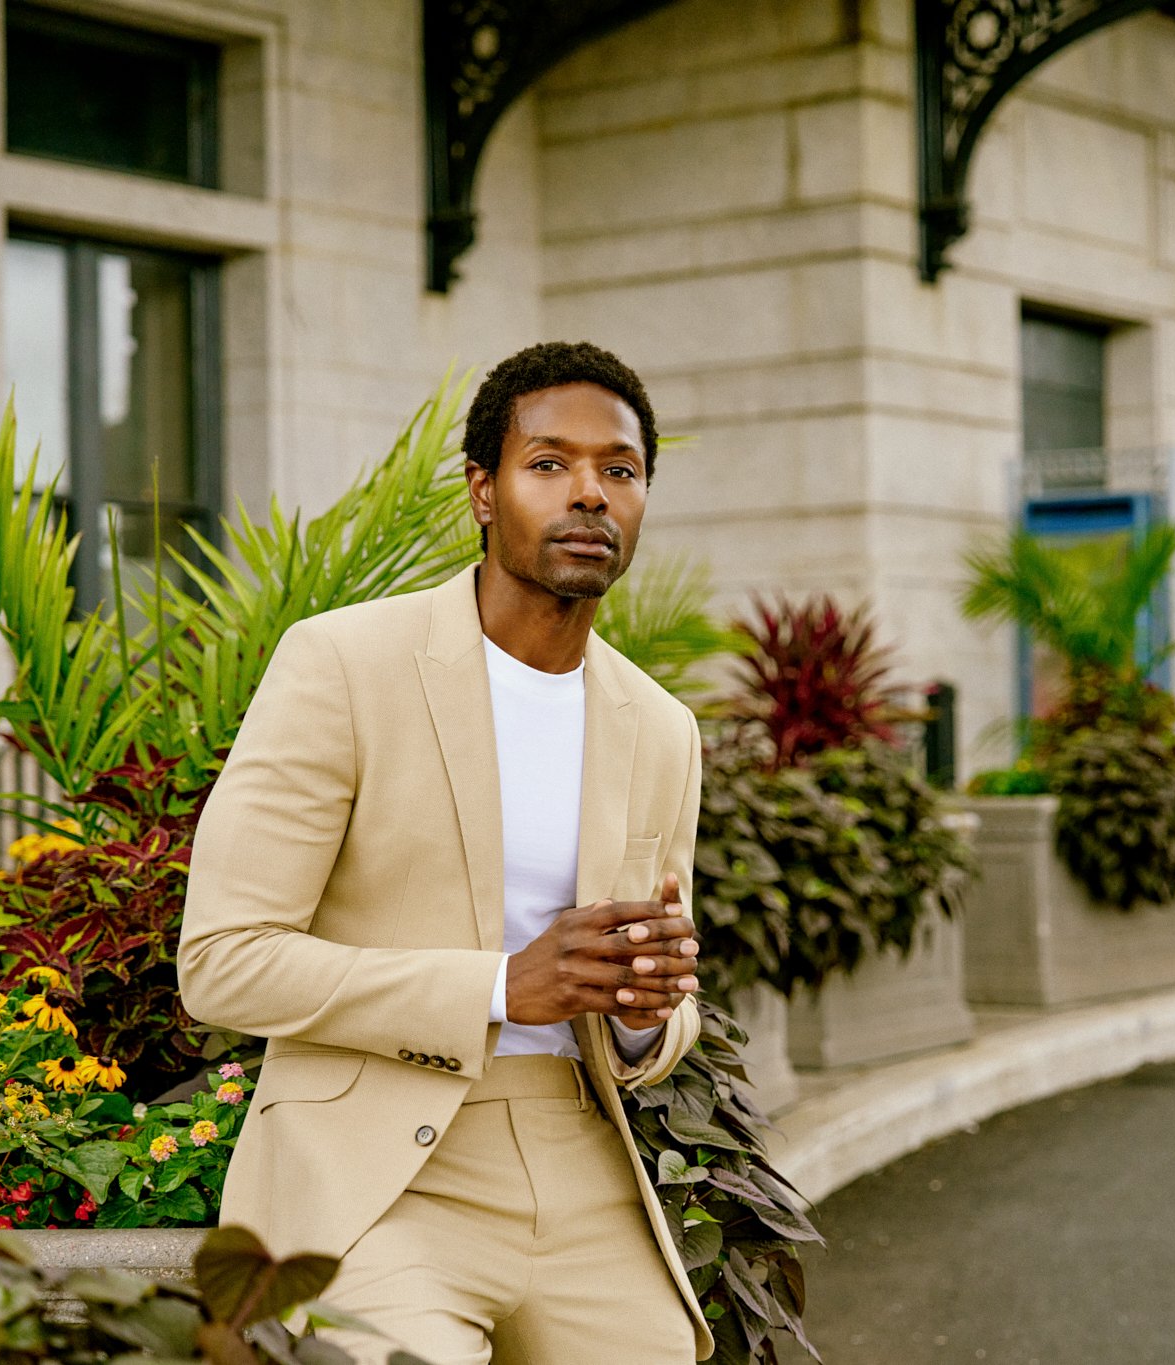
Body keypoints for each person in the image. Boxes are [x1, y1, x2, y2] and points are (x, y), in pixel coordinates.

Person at [177, 341, 711, 1363]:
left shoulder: (660, 728)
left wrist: (646, 1019)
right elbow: (223, 963)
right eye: (548, 464)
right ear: (482, 489)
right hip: (377, 1172)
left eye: (620, 470)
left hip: (581, 1161)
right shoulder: (342, 664)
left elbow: (665, 994)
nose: (589, 495)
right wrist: (502, 987)